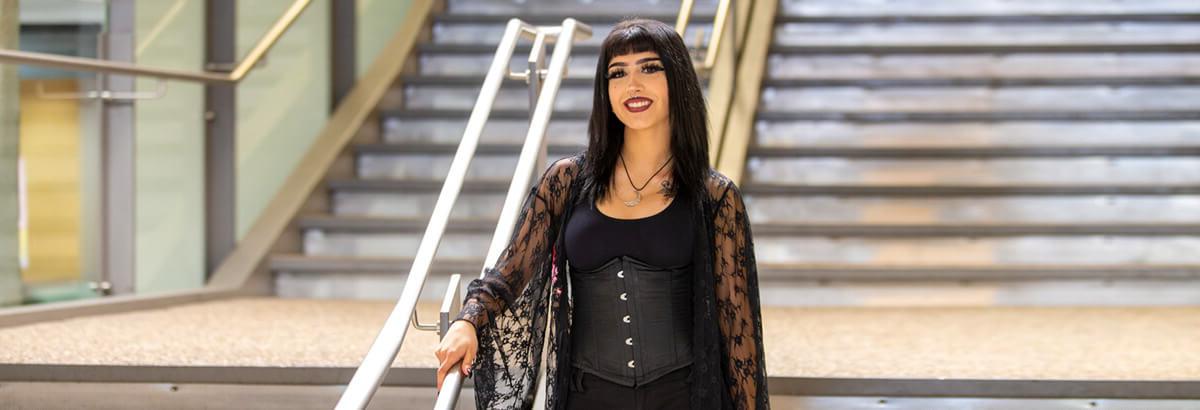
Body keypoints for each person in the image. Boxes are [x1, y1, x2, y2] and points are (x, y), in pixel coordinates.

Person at [435, 18, 768, 409]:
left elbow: (738, 335)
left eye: (649, 67)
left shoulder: (714, 196)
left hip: (683, 398)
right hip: (587, 397)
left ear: (677, 79)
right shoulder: (566, 181)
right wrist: (468, 319)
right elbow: (511, 271)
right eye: (617, 73)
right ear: (605, 90)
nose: (633, 85)